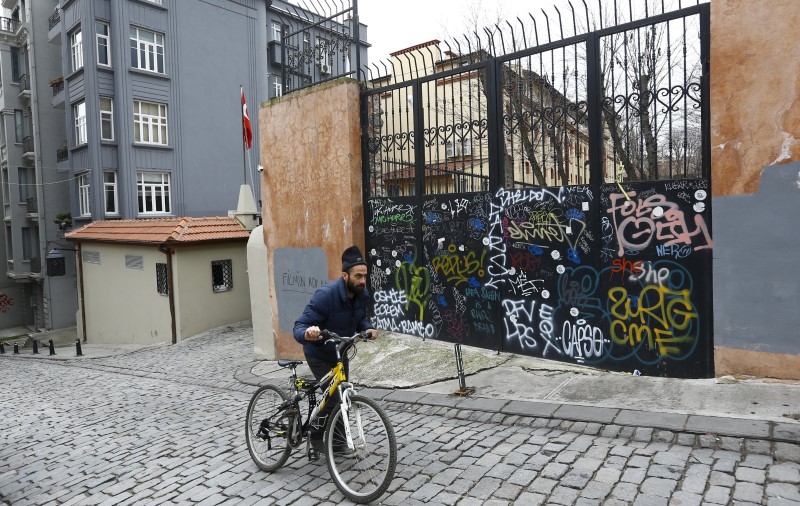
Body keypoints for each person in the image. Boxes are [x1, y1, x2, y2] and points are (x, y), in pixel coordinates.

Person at [293, 245, 378, 458]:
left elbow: (359, 318)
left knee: (343, 397)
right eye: (358, 276)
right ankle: (315, 435)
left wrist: (366, 327)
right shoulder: (326, 295)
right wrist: (308, 332)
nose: (362, 281)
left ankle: (338, 444)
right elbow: (299, 325)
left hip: (341, 351)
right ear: (344, 275)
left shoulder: (361, 294)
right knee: (332, 399)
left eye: (365, 276)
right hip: (319, 352)